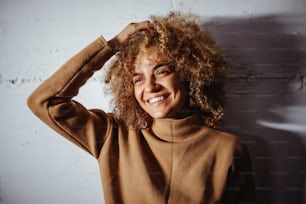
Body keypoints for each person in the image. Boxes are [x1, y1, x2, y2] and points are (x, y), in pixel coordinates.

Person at [27, 12, 255, 204]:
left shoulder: (228, 150)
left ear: (189, 75)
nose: (150, 87)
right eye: (138, 79)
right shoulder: (113, 136)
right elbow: (45, 101)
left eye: (162, 72)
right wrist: (112, 46)